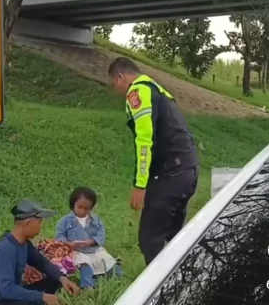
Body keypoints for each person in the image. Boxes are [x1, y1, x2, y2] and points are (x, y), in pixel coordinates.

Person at [107, 57, 199, 265]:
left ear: (121, 77)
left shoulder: (137, 92)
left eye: (114, 84)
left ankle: (160, 293)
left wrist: (140, 184)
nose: (116, 90)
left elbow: (144, 141)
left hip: (171, 173)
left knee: (150, 241)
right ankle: (184, 280)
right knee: (174, 235)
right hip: (188, 169)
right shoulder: (157, 89)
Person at [0, 199, 80, 305]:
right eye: (39, 223)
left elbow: (41, 262)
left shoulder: (23, 243)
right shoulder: (5, 249)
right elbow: (7, 289)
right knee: (35, 302)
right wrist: (43, 297)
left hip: (11, 296)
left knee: (55, 282)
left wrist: (62, 278)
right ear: (28, 223)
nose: (41, 228)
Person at [55, 187, 123, 289]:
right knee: (84, 264)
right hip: (76, 251)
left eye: (86, 209)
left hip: (94, 249)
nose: (82, 211)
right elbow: (59, 236)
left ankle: (116, 274)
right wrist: (69, 244)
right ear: (73, 205)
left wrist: (92, 241)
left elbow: (101, 235)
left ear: (91, 208)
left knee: (107, 260)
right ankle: (87, 285)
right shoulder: (65, 221)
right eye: (79, 207)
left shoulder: (96, 220)